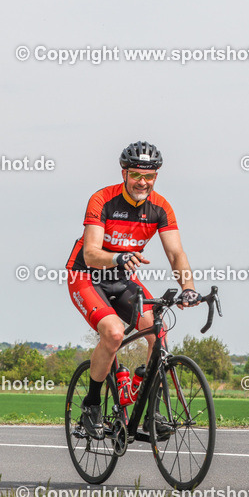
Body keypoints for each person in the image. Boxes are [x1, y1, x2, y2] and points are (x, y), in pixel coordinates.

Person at [65, 142, 201, 439]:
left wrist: (188, 287)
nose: (143, 182)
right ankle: (91, 406)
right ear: (124, 173)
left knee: (158, 330)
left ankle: (146, 403)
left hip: (122, 277)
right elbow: (90, 253)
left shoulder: (160, 208)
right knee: (113, 333)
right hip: (86, 275)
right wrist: (118, 256)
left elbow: (176, 253)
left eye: (149, 177)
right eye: (137, 175)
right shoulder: (102, 200)